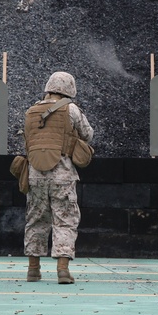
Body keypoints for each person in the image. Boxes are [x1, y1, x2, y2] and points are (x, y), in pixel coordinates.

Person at [22, 71, 94, 284]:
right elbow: (88, 134)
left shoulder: (32, 110)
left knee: (35, 220)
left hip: (35, 173)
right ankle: (63, 270)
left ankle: (33, 269)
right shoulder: (71, 109)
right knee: (65, 220)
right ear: (69, 89)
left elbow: (28, 140)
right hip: (62, 173)